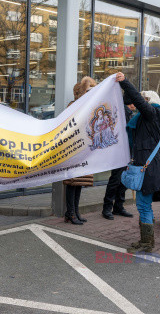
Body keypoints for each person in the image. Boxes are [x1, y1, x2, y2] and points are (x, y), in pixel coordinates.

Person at [116, 73, 160, 253]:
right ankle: (145, 240)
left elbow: (137, 101)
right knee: (143, 204)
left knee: (143, 205)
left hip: (148, 169)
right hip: (145, 167)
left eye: (143, 101)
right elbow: (130, 100)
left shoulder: (154, 114)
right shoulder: (146, 118)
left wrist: (124, 82)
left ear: (149, 102)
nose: (136, 105)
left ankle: (147, 243)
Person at [62, 77, 95, 225]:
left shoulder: (87, 107)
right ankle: (70, 213)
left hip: (83, 149)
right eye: (88, 90)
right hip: (73, 149)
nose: (91, 93)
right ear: (79, 92)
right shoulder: (73, 106)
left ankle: (75, 211)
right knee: (72, 182)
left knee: (79, 182)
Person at [101, 94, 136, 220]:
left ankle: (113, 207)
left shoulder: (125, 113)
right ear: (131, 103)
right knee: (117, 180)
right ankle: (112, 207)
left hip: (123, 152)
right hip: (123, 152)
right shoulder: (124, 113)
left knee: (119, 180)